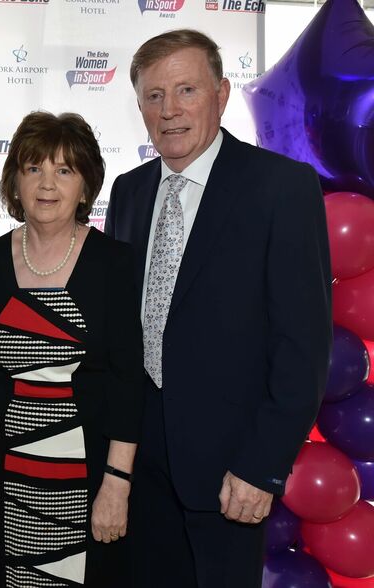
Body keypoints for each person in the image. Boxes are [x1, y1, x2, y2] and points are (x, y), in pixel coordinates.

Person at [106, 29, 332, 587]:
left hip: (233, 467)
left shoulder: (282, 189)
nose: (170, 110)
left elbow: (302, 348)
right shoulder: (129, 192)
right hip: (141, 462)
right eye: (154, 96)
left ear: (223, 94)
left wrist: (262, 464)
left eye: (187, 90)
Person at [0, 111, 145, 587]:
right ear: (15, 182)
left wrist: (117, 482)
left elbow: (130, 381)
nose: (47, 184)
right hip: (5, 470)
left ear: (85, 186)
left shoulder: (113, 263)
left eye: (64, 170)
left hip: (84, 473)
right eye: (34, 169)